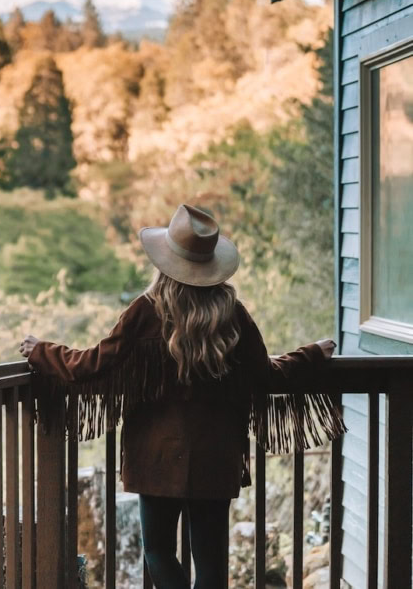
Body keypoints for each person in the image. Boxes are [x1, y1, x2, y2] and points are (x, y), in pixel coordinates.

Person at [19, 203, 343, 589]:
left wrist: (42, 350)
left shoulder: (145, 311)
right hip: (216, 452)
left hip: (154, 454)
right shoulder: (231, 313)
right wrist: (311, 354)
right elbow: (266, 375)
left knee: (157, 551)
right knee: (209, 559)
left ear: (165, 262)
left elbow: (91, 364)